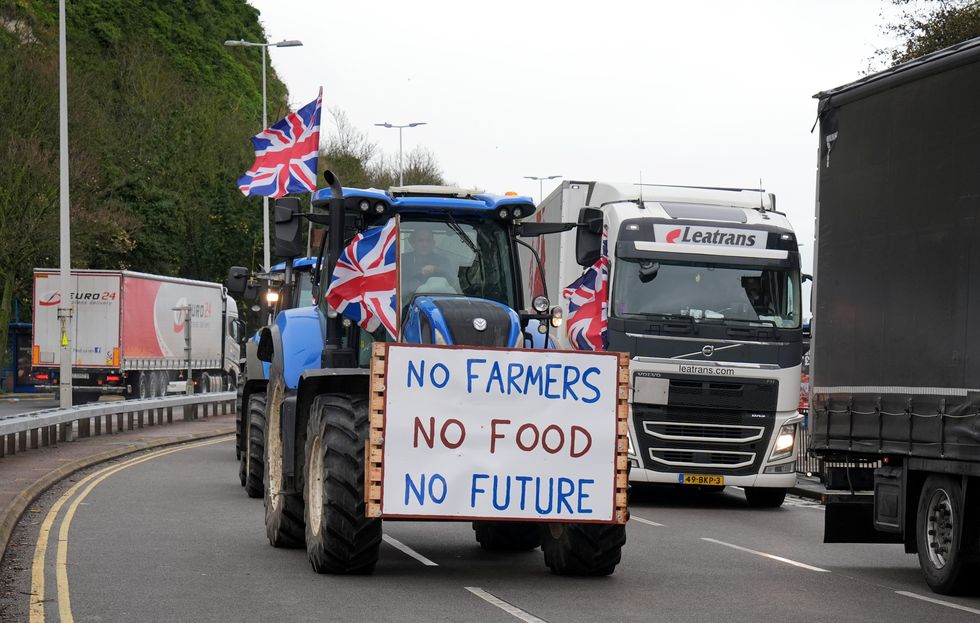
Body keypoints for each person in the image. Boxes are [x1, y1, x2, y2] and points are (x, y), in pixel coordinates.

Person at [401, 227, 458, 295]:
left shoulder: (443, 260)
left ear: (433, 243)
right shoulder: (401, 260)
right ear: (413, 243)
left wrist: (436, 269)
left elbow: (452, 279)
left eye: (428, 241)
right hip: (405, 302)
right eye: (420, 240)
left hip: (435, 301)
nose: (425, 244)